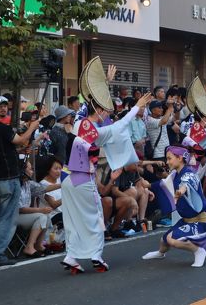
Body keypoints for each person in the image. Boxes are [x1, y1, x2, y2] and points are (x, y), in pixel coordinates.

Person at [62, 91, 151, 273]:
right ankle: (96, 255)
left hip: (65, 177)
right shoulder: (100, 131)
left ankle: (71, 256)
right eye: (107, 111)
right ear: (100, 110)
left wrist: (103, 85)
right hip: (83, 178)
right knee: (96, 218)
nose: (108, 115)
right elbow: (123, 123)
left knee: (72, 219)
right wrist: (137, 106)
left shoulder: (79, 123)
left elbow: (89, 105)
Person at [0, 96, 39, 267]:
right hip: (8, 177)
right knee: (8, 218)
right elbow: (21, 139)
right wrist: (32, 127)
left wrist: (16, 148)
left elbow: (2, 147)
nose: (2, 109)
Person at [142, 146, 206, 267]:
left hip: (201, 221)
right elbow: (162, 184)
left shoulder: (189, 174)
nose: (167, 161)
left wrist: (181, 191)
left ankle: (199, 250)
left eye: (169, 158)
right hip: (187, 220)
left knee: (172, 239)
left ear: (180, 158)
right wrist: (146, 185)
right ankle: (160, 253)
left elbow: (186, 184)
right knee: (164, 240)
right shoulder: (175, 174)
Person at [17, 160, 61, 258]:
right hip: (15, 216)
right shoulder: (16, 185)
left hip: (25, 215)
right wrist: (40, 210)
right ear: (22, 171)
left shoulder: (28, 183)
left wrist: (62, 185)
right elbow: (20, 209)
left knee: (46, 216)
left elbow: (43, 188)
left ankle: (38, 244)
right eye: (30, 169)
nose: (32, 171)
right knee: (42, 216)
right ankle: (29, 247)